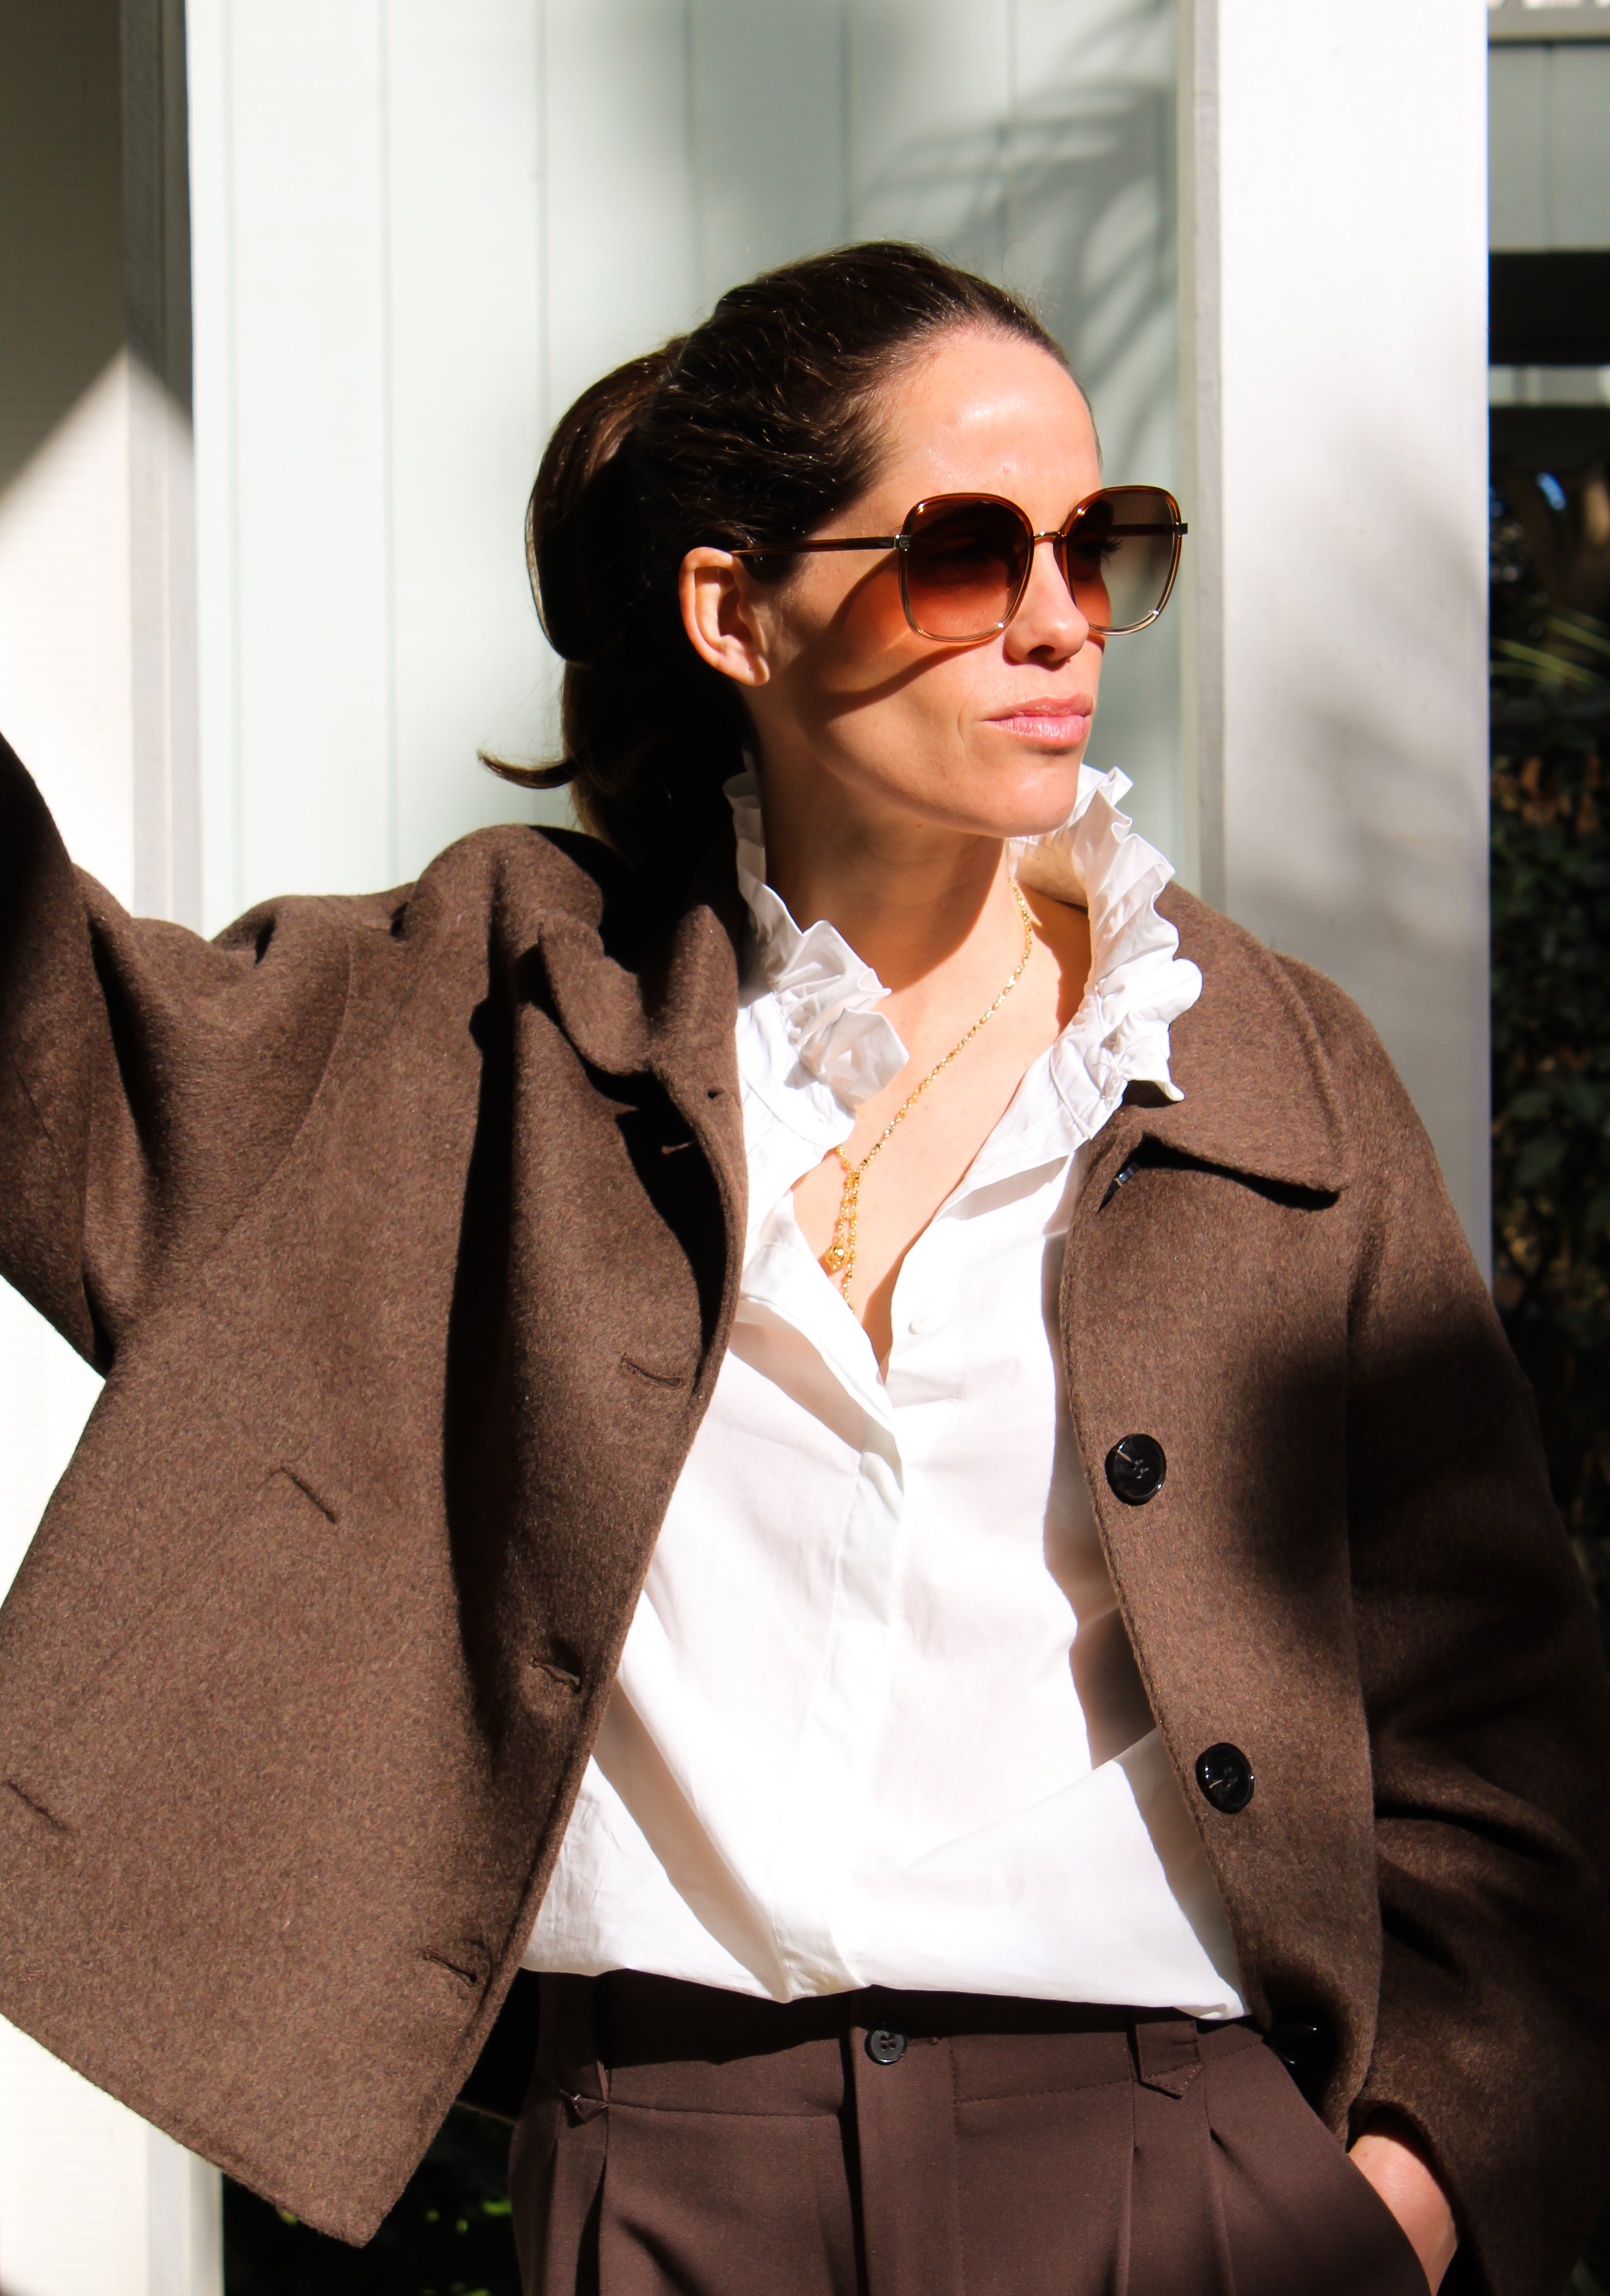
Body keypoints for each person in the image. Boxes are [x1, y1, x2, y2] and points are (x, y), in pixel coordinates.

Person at [0, 244, 1604, 2296]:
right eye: (966, 551)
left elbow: (1500, 1721)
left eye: (1101, 545)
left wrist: (1407, 2194)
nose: (1057, 615)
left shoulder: (1262, 1070)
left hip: (1183, 2186)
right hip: (670, 2184)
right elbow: (48, 1048)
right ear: (732, 614)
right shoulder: (492, 1021)